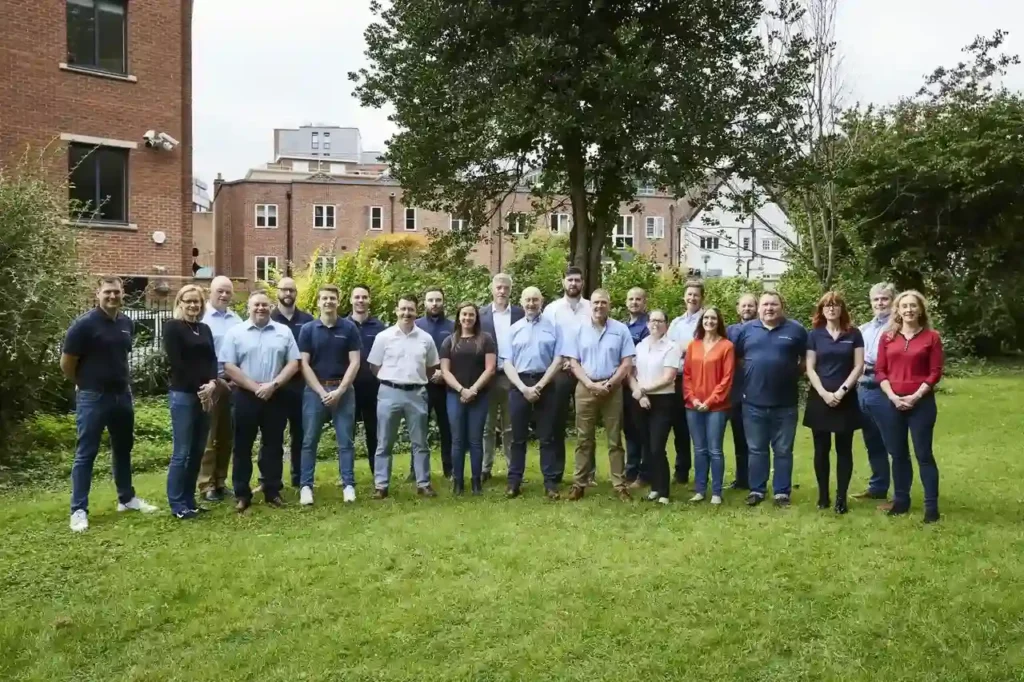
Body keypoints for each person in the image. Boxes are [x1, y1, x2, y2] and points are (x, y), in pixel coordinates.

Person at [60, 277, 157, 532]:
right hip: (93, 397)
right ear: (98, 293)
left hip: (122, 396)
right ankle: (78, 510)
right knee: (86, 453)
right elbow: (67, 362)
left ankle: (126, 499)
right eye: (107, 292)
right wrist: (82, 382)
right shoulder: (84, 325)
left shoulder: (126, 323)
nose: (112, 296)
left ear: (122, 294)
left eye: (116, 292)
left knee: (123, 449)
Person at [219, 290, 301, 512]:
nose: (261, 308)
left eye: (265, 305)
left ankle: (272, 490)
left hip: (275, 395)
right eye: (256, 305)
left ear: (270, 307)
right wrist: (256, 388)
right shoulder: (235, 333)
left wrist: (273, 385)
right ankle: (242, 494)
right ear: (248, 307)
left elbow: (294, 362)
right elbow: (228, 365)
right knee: (242, 446)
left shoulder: (283, 332)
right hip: (246, 395)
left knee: (273, 445)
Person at [732, 291, 808, 507]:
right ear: (758, 308)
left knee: (783, 450)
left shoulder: (796, 330)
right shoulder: (746, 330)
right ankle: (757, 490)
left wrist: (792, 372)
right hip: (753, 403)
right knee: (756, 449)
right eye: (765, 304)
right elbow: (738, 358)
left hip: (786, 403)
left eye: (774, 304)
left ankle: (781, 492)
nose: (769, 308)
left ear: (781, 306)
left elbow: (807, 358)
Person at [874, 290, 944, 523]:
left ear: (921, 309)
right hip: (892, 402)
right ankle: (901, 501)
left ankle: (931, 507)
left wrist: (916, 396)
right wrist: (893, 396)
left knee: (924, 454)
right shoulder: (887, 337)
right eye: (904, 306)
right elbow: (880, 371)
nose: (909, 310)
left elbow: (935, 372)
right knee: (898, 454)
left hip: (921, 403)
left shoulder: (931, 337)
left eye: (913, 306)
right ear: (898, 310)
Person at [565, 288, 636, 501]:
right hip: (585, 388)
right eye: (595, 303)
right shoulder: (578, 329)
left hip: (612, 390)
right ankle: (579, 483)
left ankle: (619, 485)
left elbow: (627, 362)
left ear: (609, 305)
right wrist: (590, 384)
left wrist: (611, 383)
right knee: (583, 439)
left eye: (603, 303)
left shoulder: (621, 329)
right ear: (590, 305)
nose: (599, 307)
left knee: (615, 439)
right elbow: (573, 362)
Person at [367, 294, 441, 499]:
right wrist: (391, 379)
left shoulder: (426, 338)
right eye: (403, 309)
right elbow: (374, 366)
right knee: (384, 441)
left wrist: (415, 379)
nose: (406, 313)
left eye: (410, 309)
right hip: (389, 392)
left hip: (416, 394)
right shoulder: (384, 337)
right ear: (396, 310)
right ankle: (381, 485)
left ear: (416, 312)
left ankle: (423, 483)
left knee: (420, 442)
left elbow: (432, 366)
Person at [297, 285, 362, 506]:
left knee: (346, 441)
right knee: (309, 441)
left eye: (332, 298)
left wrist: (341, 390)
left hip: (343, 391)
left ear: (338, 301)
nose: (328, 302)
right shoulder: (308, 329)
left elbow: (355, 362)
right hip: (315, 391)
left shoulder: (349, 328)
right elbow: (303, 364)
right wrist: (322, 391)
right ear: (318, 302)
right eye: (324, 298)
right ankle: (306, 486)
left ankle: (348, 485)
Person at [803, 292, 865, 515]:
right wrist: (824, 393)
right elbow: (810, 367)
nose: (831, 309)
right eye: (827, 305)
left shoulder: (854, 334)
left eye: (836, 305)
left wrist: (841, 391)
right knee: (821, 449)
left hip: (845, 398)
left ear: (842, 309)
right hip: (820, 398)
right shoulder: (814, 335)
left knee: (844, 449)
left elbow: (858, 366)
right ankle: (823, 495)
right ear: (821, 310)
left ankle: (841, 498)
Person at [503, 287, 566, 499]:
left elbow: (559, 359)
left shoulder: (554, 327)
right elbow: (507, 363)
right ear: (521, 302)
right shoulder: (513, 329)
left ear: (542, 302)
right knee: (517, 438)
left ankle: (550, 484)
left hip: (546, 383)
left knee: (547, 437)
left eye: (535, 300)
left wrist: (539, 386)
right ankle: (514, 483)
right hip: (519, 384)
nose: (531, 304)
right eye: (528, 300)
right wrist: (523, 388)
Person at [163, 284, 218, 520]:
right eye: (189, 301)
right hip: (184, 395)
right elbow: (178, 363)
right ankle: (176, 503)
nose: (194, 305)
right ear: (180, 303)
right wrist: (202, 389)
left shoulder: (204, 329)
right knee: (182, 451)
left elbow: (212, 360)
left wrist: (213, 384)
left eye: (197, 301)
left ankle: (189, 499)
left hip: (206, 394)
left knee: (197, 450)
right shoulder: (172, 328)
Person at [440, 302, 497, 495]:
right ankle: (458, 482)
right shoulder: (449, 341)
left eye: (471, 315)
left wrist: (473, 389)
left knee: (475, 440)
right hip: (454, 396)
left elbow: (490, 368)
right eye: (464, 315)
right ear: (458, 317)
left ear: (476, 318)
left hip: (479, 396)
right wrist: (461, 390)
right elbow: (445, 371)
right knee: (457, 440)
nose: (467, 318)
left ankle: (475, 482)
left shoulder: (486, 339)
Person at [543, 266, 591, 484]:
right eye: (570, 280)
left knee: (586, 423)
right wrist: (557, 363)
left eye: (577, 280)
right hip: (560, 371)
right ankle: (557, 471)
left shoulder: (591, 307)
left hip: (585, 371)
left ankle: (587, 473)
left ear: (582, 283)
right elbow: (546, 340)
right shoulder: (552, 309)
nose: (573, 284)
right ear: (563, 282)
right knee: (557, 422)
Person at [627, 310, 680, 505]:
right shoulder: (640, 346)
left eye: (660, 320)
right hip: (640, 400)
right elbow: (630, 373)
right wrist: (639, 394)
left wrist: (642, 390)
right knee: (647, 447)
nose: (655, 324)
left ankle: (664, 491)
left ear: (666, 324)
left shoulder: (672, 347)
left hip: (663, 401)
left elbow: (668, 377)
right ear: (647, 323)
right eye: (652, 320)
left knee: (658, 447)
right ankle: (655, 488)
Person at [683, 307, 735, 505]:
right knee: (699, 449)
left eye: (713, 318)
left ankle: (716, 492)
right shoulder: (693, 345)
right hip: (693, 405)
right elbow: (686, 375)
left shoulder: (727, 346)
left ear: (718, 321)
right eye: (706, 318)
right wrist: (694, 399)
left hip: (717, 407)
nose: (709, 321)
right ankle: (700, 489)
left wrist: (710, 401)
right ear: (701, 321)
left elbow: (727, 378)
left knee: (715, 450)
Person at [198, 276, 242, 502]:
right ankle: (206, 485)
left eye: (228, 292)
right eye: (220, 291)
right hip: (211, 383)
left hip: (232, 383)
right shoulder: (202, 317)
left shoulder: (236, 319)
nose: (224, 295)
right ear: (210, 292)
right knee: (209, 436)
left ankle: (221, 481)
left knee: (227, 436)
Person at [853, 282, 896, 502]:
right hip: (863, 390)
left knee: (893, 443)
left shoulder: (898, 329)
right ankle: (878, 487)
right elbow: (855, 359)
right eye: (876, 299)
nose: (880, 303)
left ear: (893, 301)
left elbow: (886, 362)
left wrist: (866, 364)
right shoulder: (863, 329)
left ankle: (900, 494)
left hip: (885, 391)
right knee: (872, 442)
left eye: (884, 299)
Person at [269, 277, 314, 488]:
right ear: (277, 292)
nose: (288, 294)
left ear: (296, 293)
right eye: (284, 290)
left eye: (292, 290)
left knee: (301, 435)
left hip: (300, 386)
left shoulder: (307, 319)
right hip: (275, 385)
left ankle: (298, 477)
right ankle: (271, 480)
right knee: (273, 436)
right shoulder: (268, 317)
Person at [478, 273, 524, 482]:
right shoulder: (481, 314)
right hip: (488, 376)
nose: (502, 291)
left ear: (510, 290)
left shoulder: (520, 313)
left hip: (512, 375)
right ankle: (485, 468)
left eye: (506, 287)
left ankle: (511, 467)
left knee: (510, 425)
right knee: (487, 425)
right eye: (499, 287)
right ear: (492, 289)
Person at [667, 280, 705, 485]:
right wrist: (684, 347)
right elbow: (669, 347)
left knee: (697, 427)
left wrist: (683, 347)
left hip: (698, 378)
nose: (692, 298)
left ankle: (702, 473)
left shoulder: (706, 320)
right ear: (684, 297)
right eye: (689, 294)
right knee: (679, 426)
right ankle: (681, 472)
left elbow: (701, 347)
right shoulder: (676, 322)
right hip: (677, 377)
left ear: (702, 298)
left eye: (696, 295)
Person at [415, 288, 455, 479]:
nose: (434, 303)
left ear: (443, 302)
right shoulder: (416, 325)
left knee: (447, 428)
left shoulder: (453, 326)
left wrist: (444, 373)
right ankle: (416, 470)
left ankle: (449, 467)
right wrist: (430, 372)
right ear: (425, 303)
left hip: (446, 385)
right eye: (431, 300)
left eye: (438, 300)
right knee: (419, 427)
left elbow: (457, 354)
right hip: (422, 383)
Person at [348, 285, 387, 475]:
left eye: (364, 297)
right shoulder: (343, 325)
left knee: (375, 434)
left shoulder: (379, 328)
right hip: (349, 388)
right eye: (357, 297)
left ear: (369, 300)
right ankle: (346, 476)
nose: (360, 300)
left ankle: (377, 475)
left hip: (374, 389)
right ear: (351, 300)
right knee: (347, 435)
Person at [726, 293, 757, 490]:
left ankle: (756, 480)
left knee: (755, 440)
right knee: (739, 438)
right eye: (743, 306)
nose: (747, 309)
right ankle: (741, 479)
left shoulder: (762, 329)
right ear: (738, 308)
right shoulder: (730, 330)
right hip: (735, 391)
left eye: (751, 306)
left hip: (756, 391)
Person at [623, 287, 650, 487]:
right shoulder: (624, 327)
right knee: (630, 430)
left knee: (642, 432)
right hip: (625, 385)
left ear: (644, 303)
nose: (634, 302)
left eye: (638, 299)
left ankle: (644, 473)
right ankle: (630, 471)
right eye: (631, 299)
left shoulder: (647, 327)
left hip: (642, 386)